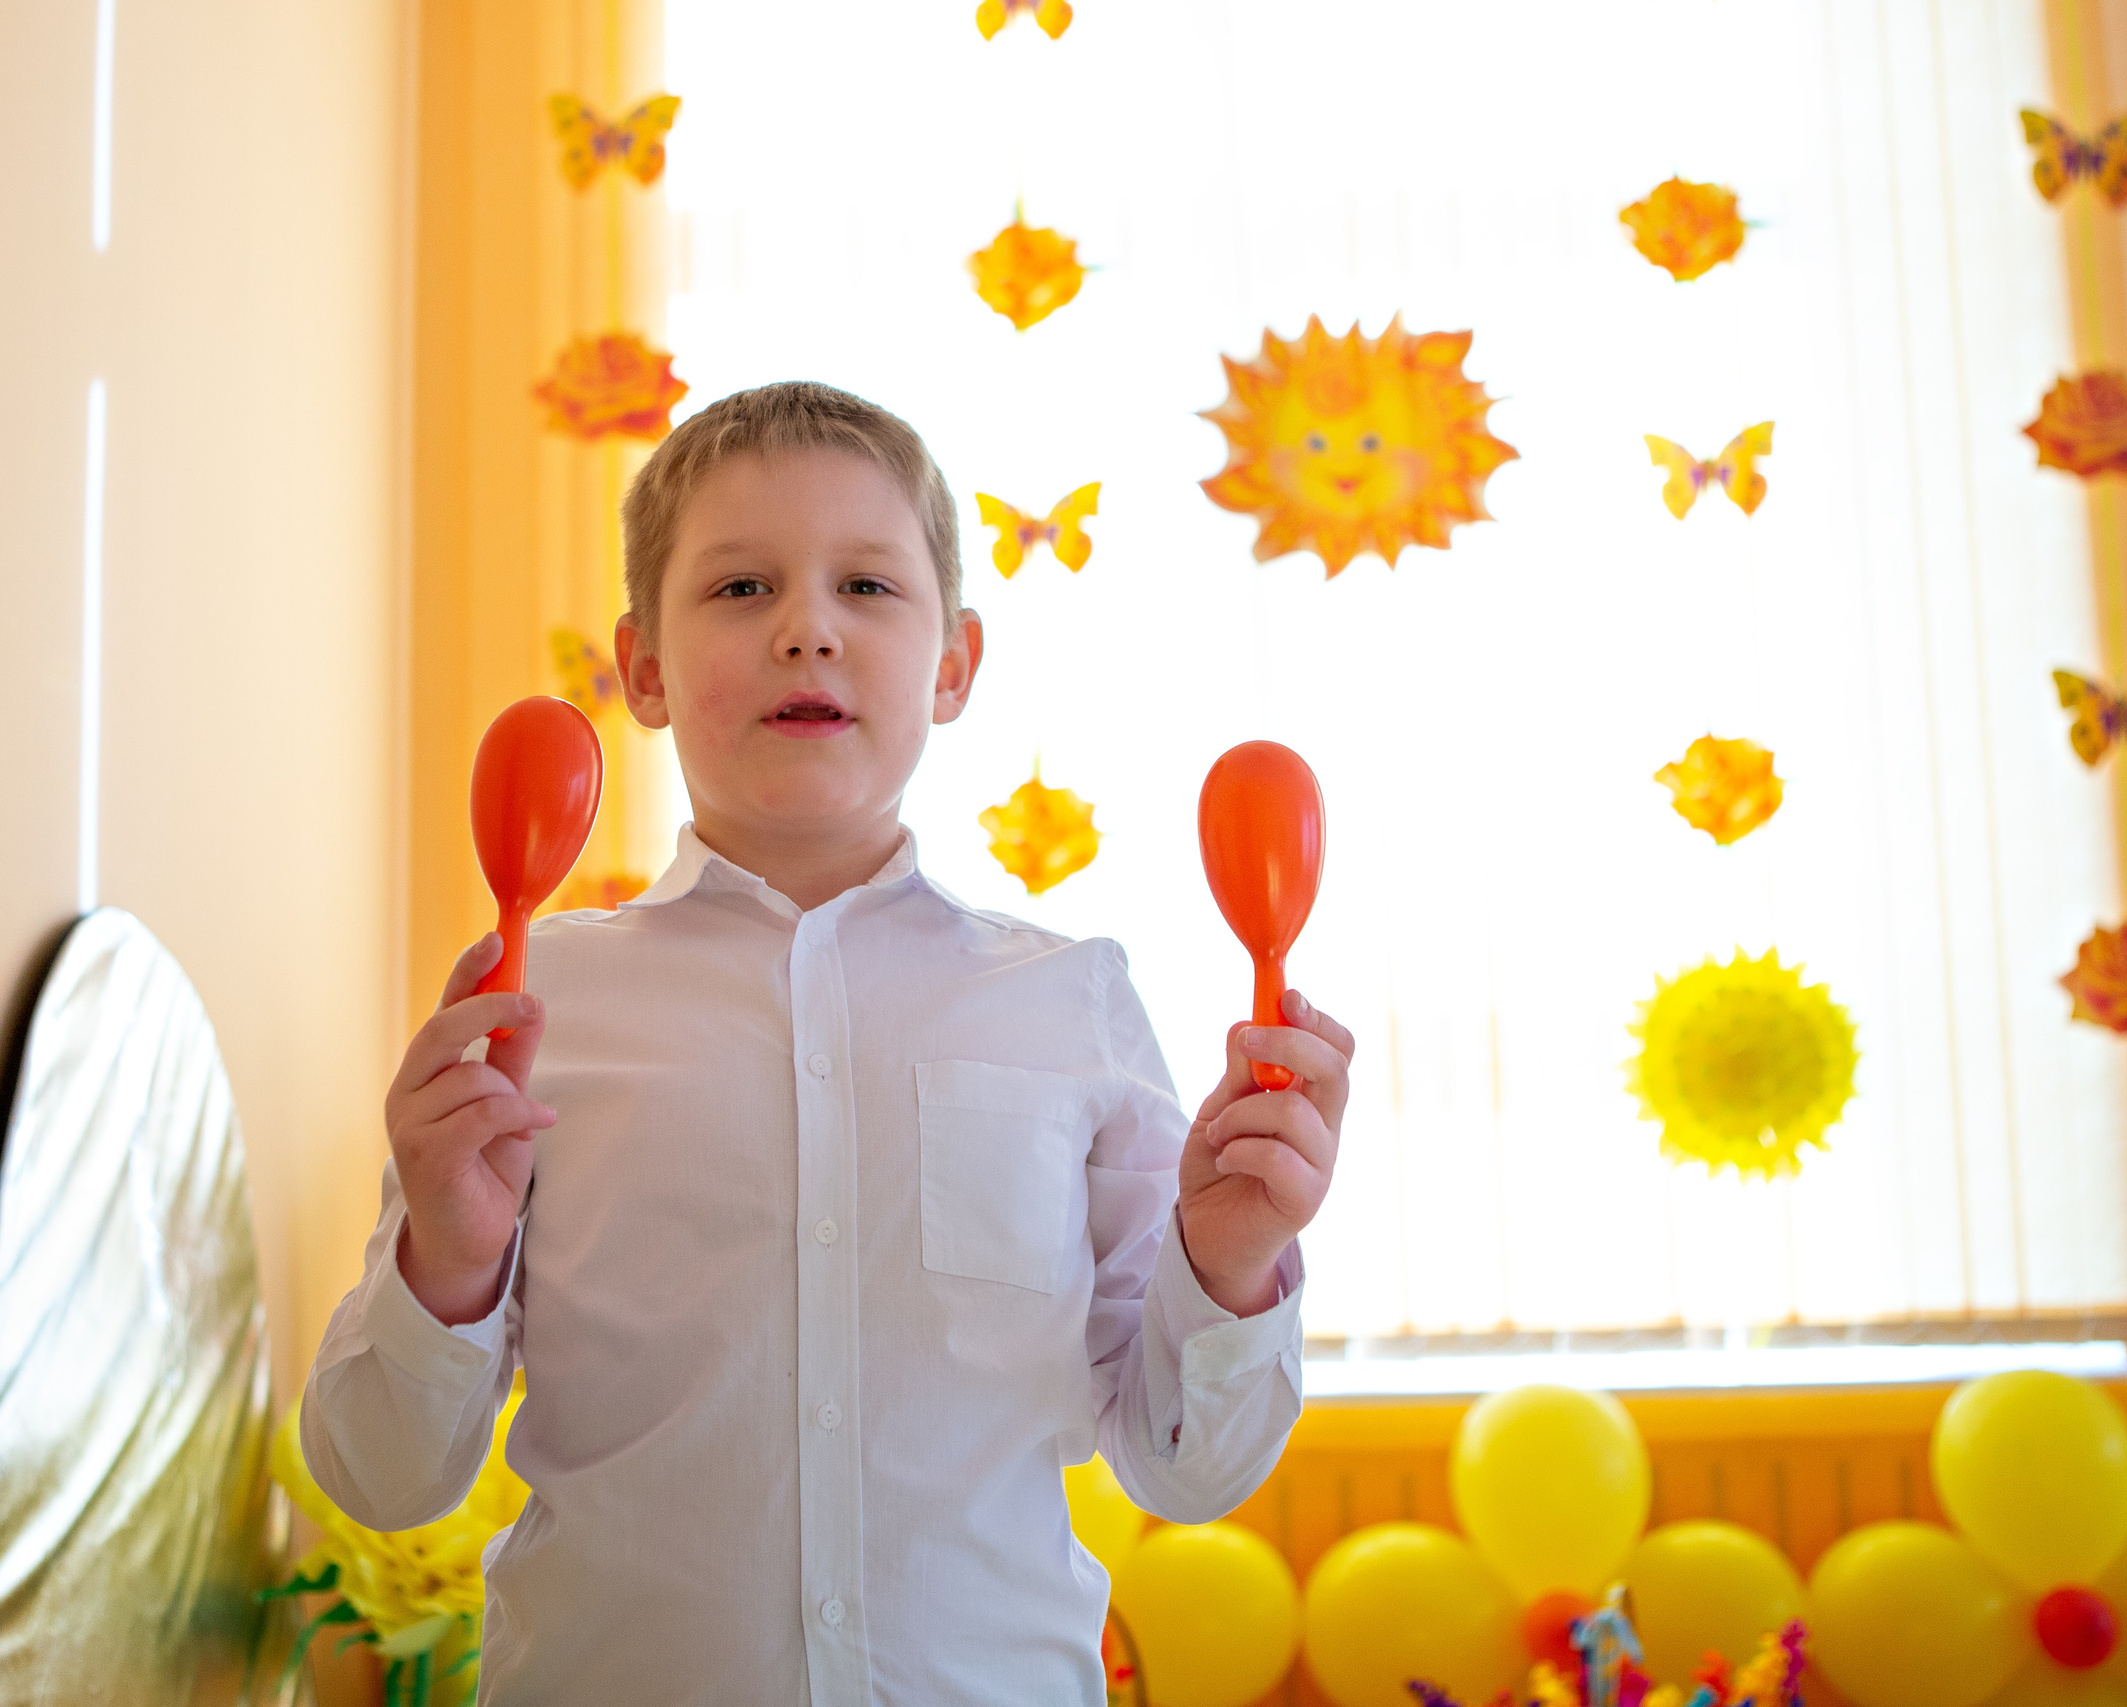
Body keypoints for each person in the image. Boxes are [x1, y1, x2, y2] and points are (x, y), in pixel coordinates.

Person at [300, 381, 1353, 1703]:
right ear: (641, 670)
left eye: (867, 587)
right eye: (742, 590)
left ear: (956, 664)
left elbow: (1188, 1467)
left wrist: (1235, 1261)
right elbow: (379, 1478)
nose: (807, 630)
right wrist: (444, 1265)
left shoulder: (1070, 1001)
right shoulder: (528, 1024)